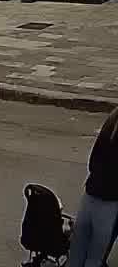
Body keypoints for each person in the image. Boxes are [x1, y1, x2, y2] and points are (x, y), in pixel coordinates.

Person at [66, 105, 118, 267]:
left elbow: (93, 161)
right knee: (95, 258)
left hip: (90, 194)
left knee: (76, 253)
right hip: (109, 202)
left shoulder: (111, 119)